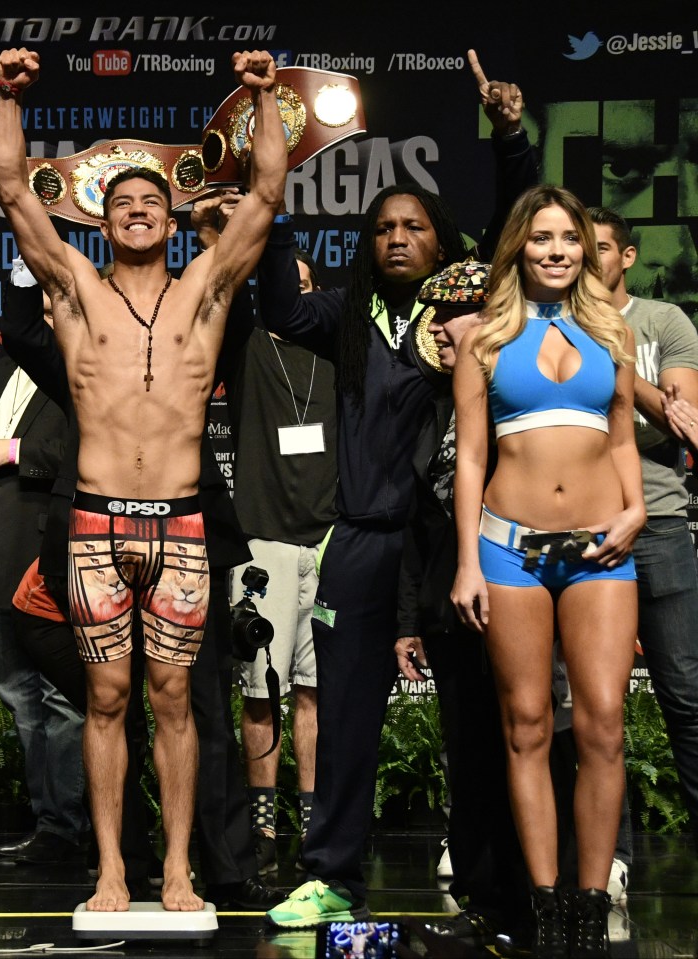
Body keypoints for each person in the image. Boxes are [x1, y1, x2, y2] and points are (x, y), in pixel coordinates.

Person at [0, 47, 286, 912]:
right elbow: (12, 187)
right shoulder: (75, 291)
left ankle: (179, 869)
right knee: (109, 700)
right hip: (96, 524)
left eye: (152, 200)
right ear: (101, 221)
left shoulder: (206, 290)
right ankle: (112, 867)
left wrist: (263, 97)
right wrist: (8, 97)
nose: (138, 212)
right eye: (121, 203)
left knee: (178, 704)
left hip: (184, 524)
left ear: (171, 213)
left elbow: (267, 191)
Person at [261, 50, 537, 928]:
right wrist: (273, 215)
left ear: (440, 241)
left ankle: (492, 884)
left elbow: (514, 233)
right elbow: (274, 306)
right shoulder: (343, 318)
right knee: (343, 719)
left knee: (470, 718)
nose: (397, 237)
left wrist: (509, 138)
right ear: (367, 244)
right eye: (384, 227)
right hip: (362, 541)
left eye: (414, 226)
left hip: (451, 544)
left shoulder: (469, 314)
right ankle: (333, 873)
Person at [450, 185, 644, 958]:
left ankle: (591, 905)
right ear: (519, 250)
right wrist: (467, 560)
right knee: (526, 725)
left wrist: (635, 511)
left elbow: (625, 438)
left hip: (602, 549)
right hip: (508, 547)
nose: (557, 250)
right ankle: (545, 905)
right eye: (542, 239)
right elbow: (469, 457)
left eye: (570, 238)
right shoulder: (485, 339)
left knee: (602, 725)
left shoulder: (613, 332)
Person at [192, 190, 337, 876]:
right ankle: (261, 812)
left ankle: (312, 809)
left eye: (306, 287)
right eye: (286, 286)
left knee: (316, 688)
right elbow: (227, 286)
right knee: (261, 687)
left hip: (333, 539)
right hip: (264, 542)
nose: (295, 297)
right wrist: (225, 230)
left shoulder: (339, 356)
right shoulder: (248, 347)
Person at [394, 260, 533, 951]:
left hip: (521, 596)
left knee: (530, 745)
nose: (437, 328)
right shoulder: (438, 401)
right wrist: (412, 618)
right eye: (433, 314)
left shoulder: (522, 395)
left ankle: (536, 895)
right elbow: (421, 520)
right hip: (452, 605)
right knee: (468, 754)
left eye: (452, 315)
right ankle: (481, 899)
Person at [0, 344, 88, 865]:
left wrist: (11, 450)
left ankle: (68, 827)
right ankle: (48, 821)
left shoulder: (80, 367)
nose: (44, 320)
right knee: (19, 699)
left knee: (60, 701)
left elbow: (84, 448)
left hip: (46, 558)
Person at [589, 206, 698, 854]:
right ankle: (612, 861)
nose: (591, 258)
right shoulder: (558, 323)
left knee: (685, 694)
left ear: (625, 256)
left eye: (603, 247)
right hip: (580, 524)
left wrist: (618, 365)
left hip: (656, 519)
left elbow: (682, 423)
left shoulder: (662, 321)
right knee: (597, 708)